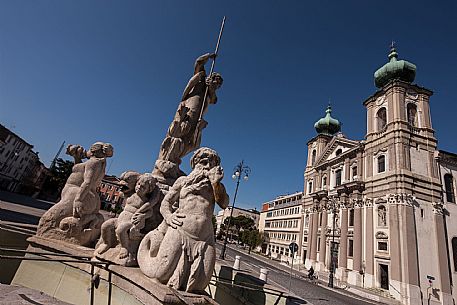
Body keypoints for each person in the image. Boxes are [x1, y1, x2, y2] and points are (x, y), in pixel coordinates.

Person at [138, 147, 229, 292]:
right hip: (180, 230)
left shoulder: (216, 187)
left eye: (212, 164)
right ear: (195, 163)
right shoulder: (183, 181)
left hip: (205, 238)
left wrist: (216, 184)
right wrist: (169, 216)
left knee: (199, 285)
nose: (207, 167)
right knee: (160, 274)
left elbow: (224, 204)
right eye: (204, 162)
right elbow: (165, 203)